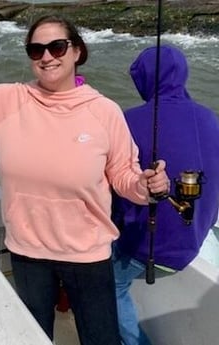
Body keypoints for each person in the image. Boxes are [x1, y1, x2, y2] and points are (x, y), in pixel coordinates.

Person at [0, 15, 170, 345]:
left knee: (101, 338)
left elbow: (123, 175)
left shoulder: (104, 111)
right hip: (27, 253)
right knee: (33, 337)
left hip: (88, 255)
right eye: (36, 50)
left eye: (57, 47)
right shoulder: (7, 100)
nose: (47, 56)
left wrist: (145, 187)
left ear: (77, 52)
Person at [111, 44, 219, 345]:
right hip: (195, 238)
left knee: (109, 285)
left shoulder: (128, 120)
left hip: (151, 249)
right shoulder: (211, 118)